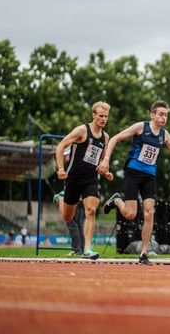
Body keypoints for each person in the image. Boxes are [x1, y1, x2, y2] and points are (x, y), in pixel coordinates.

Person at [98, 100, 170, 265]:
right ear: (152, 115)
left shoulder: (165, 134)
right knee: (130, 214)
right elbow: (115, 139)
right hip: (133, 173)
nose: (163, 118)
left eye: (166, 115)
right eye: (161, 114)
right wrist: (106, 160)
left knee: (149, 213)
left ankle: (143, 253)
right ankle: (117, 200)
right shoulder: (141, 127)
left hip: (150, 176)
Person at [55, 101, 113, 260]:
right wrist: (60, 169)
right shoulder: (81, 130)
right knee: (67, 217)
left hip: (91, 179)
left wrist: (106, 171)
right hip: (73, 179)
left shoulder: (105, 137)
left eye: (106, 116)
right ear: (93, 115)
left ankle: (87, 249)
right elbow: (60, 146)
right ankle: (61, 197)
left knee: (91, 210)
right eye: (101, 116)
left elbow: (101, 160)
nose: (103, 119)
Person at [53, 191, 85, 255]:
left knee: (72, 225)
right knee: (79, 225)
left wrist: (61, 195)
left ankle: (76, 250)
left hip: (73, 199)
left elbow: (71, 185)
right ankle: (81, 249)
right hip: (81, 199)